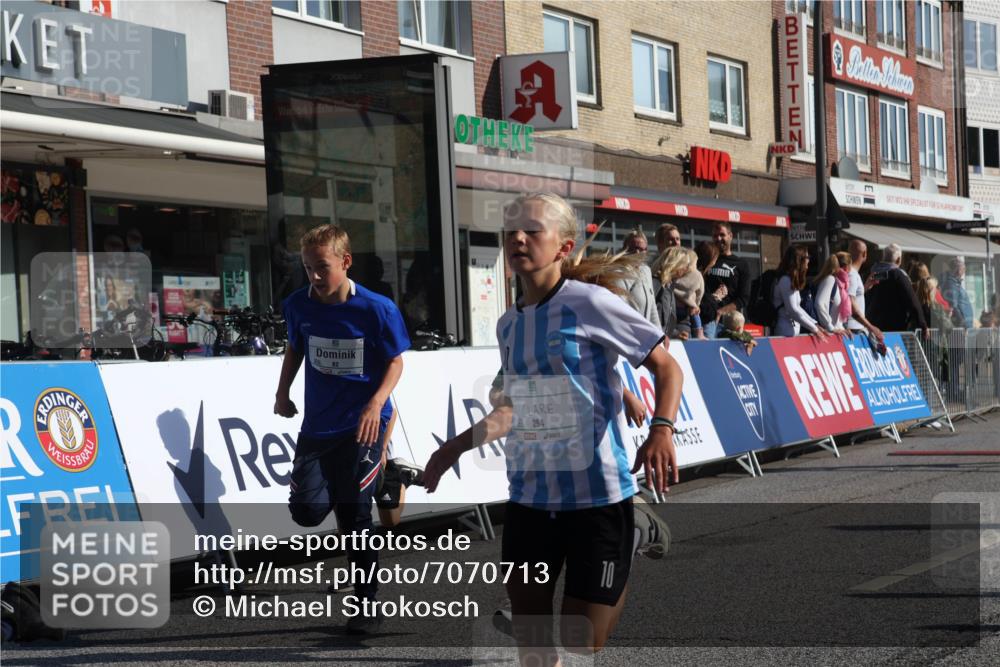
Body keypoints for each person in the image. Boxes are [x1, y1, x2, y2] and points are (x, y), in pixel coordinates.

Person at [423, 192, 683, 664]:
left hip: (596, 497)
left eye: (532, 230)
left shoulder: (590, 303)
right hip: (530, 498)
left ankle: (637, 526)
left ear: (563, 247)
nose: (517, 238)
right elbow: (512, 411)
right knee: (535, 647)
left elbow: (667, 367)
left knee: (583, 640)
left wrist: (661, 429)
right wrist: (453, 450)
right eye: (511, 231)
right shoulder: (507, 327)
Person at [273, 223, 414, 635]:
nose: (314, 277)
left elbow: (396, 361)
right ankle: (385, 478)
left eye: (322, 268)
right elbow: (295, 348)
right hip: (318, 426)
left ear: (345, 262)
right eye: (307, 268)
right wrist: (282, 393)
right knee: (307, 511)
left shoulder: (376, 308)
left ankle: (365, 605)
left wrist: (374, 404)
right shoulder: (299, 305)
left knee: (355, 518)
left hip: (364, 428)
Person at [865, 243, 929, 338]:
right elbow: (912, 300)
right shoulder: (898, 275)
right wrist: (923, 324)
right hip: (893, 328)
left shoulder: (872, 273)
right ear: (899, 259)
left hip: (871, 326)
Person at [704, 221, 750, 338]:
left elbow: (744, 298)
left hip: (731, 323)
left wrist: (722, 311)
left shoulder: (741, 264)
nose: (718, 239)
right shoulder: (706, 260)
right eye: (715, 236)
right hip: (708, 319)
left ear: (730, 236)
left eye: (722, 235)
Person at [772, 244, 828, 339]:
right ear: (799, 259)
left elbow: (798, 308)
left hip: (791, 332)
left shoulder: (790, 279)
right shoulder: (785, 280)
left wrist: (814, 324)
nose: (809, 260)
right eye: (807, 257)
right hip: (785, 332)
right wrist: (814, 329)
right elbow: (793, 310)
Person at [618, 229, 661, 328]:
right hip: (629, 334)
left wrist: (659, 334)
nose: (638, 252)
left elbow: (652, 307)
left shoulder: (646, 270)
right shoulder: (618, 272)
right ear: (625, 249)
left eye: (643, 249)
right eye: (634, 248)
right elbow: (619, 309)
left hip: (646, 335)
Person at [651, 247, 694, 340]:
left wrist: (676, 334)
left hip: (660, 342)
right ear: (676, 264)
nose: (687, 269)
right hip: (652, 343)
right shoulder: (655, 284)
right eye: (685, 265)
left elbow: (665, 324)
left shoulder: (668, 287)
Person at [844, 240, 883, 340]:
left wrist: (865, 287)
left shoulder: (852, 273)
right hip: (853, 330)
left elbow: (851, 297)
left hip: (854, 328)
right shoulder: (852, 274)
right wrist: (870, 327)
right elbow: (851, 304)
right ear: (865, 254)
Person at [670, 248, 706, 339]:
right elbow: (700, 292)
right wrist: (697, 303)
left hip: (673, 306)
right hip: (689, 308)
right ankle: (699, 333)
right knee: (695, 316)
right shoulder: (697, 275)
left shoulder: (675, 272)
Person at [812, 252, 851, 334]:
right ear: (846, 267)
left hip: (834, 334)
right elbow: (819, 303)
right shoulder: (830, 279)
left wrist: (842, 329)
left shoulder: (840, 285)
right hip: (827, 333)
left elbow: (836, 316)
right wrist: (830, 327)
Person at [939, 257, 974, 328]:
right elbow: (953, 307)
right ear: (958, 270)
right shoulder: (952, 284)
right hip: (961, 328)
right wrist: (963, 324)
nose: (964, 271)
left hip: (964, 325)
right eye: (963, 269)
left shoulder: (955, 283)